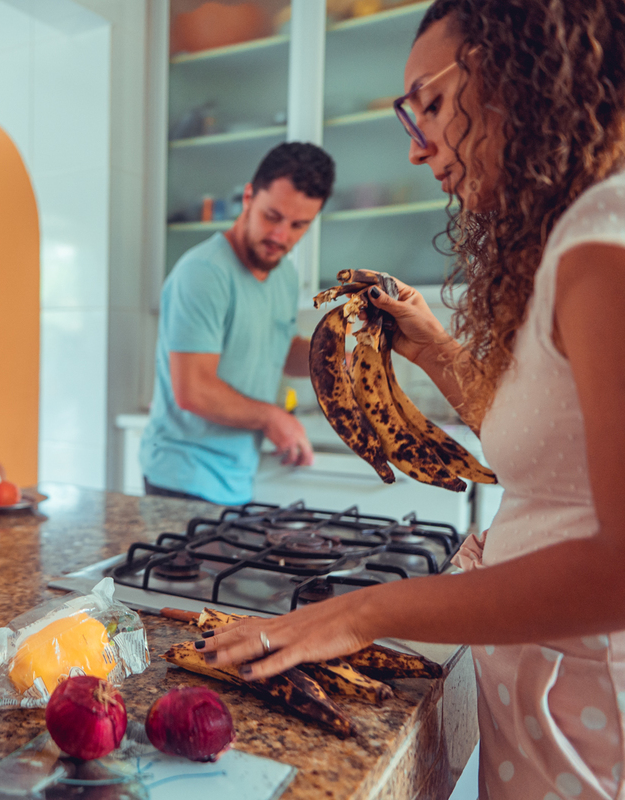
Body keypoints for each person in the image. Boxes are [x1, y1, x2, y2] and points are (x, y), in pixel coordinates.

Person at [195, 3, 625, 798]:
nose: (417, 144)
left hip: (594, 718)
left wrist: (363, 612)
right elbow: (548, 449)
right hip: (558, 706)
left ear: (523, 78)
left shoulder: (606, 236)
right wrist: (431, 346)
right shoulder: (578, 235)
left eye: (429, 102)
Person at [139, 142, 335, 505]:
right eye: (272, 216)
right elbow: (192, 390)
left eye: (299, 225)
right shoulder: (203, 273)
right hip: (181, 482)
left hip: (237, 479)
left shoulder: (284, 276)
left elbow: (276, 345)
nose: (282, 236)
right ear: (248, 197)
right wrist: (273, 418)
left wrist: (335, 359)